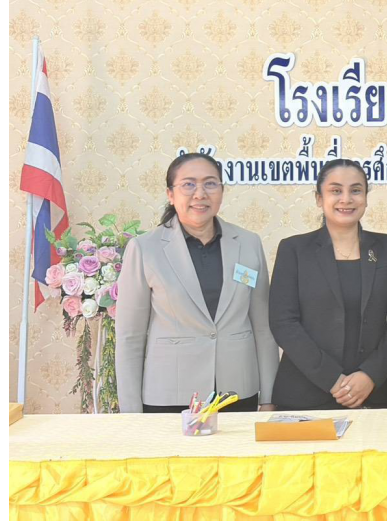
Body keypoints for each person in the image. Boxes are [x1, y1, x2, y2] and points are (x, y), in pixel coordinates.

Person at [115, 153, 279, 413]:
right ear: (170, 194)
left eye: (210, 184)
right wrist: (131, 412)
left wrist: (269, 397)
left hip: (237, 391)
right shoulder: (145, 249)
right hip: (170, 394)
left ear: (222, 192)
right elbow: (129, 337)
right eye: (188, 184)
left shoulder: (248, 243)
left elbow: (263, 328)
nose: (200, 194)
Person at [268, 159, 387, 410]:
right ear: (319, 199)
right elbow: (283, 323)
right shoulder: (294, 250)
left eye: (356, 190)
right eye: (335, 190)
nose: (346, 199)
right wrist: (332, 380)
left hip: (374, 393)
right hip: (305, 394)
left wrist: (370, 375)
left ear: (366, 197)